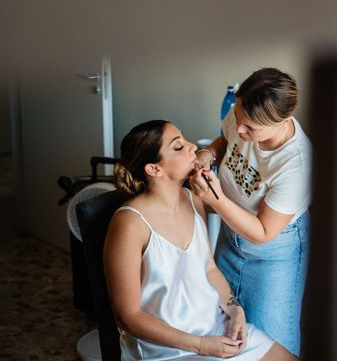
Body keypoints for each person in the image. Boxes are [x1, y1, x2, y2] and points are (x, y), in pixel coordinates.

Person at [103, 119, 297, 360]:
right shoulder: (130, 223)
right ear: (154, 169)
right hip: (166, 349)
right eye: (178, 146)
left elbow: (209, 269)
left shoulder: (193, 200)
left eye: (185, 139)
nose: (192, 146)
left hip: (214, 327)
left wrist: (235, 309)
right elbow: (127, 316)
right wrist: (202, 345)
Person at [191, 68, 311, 356]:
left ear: (281, 122)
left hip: (273, 254)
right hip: (230, 236)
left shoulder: (296, 164)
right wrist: (207, 153)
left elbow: (263, 232)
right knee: (225, 325)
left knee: (272, 343)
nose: (240, 130)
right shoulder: (241, 115)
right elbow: (224, 139)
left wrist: (216, 199)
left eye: (250, 128)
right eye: (239, 117)